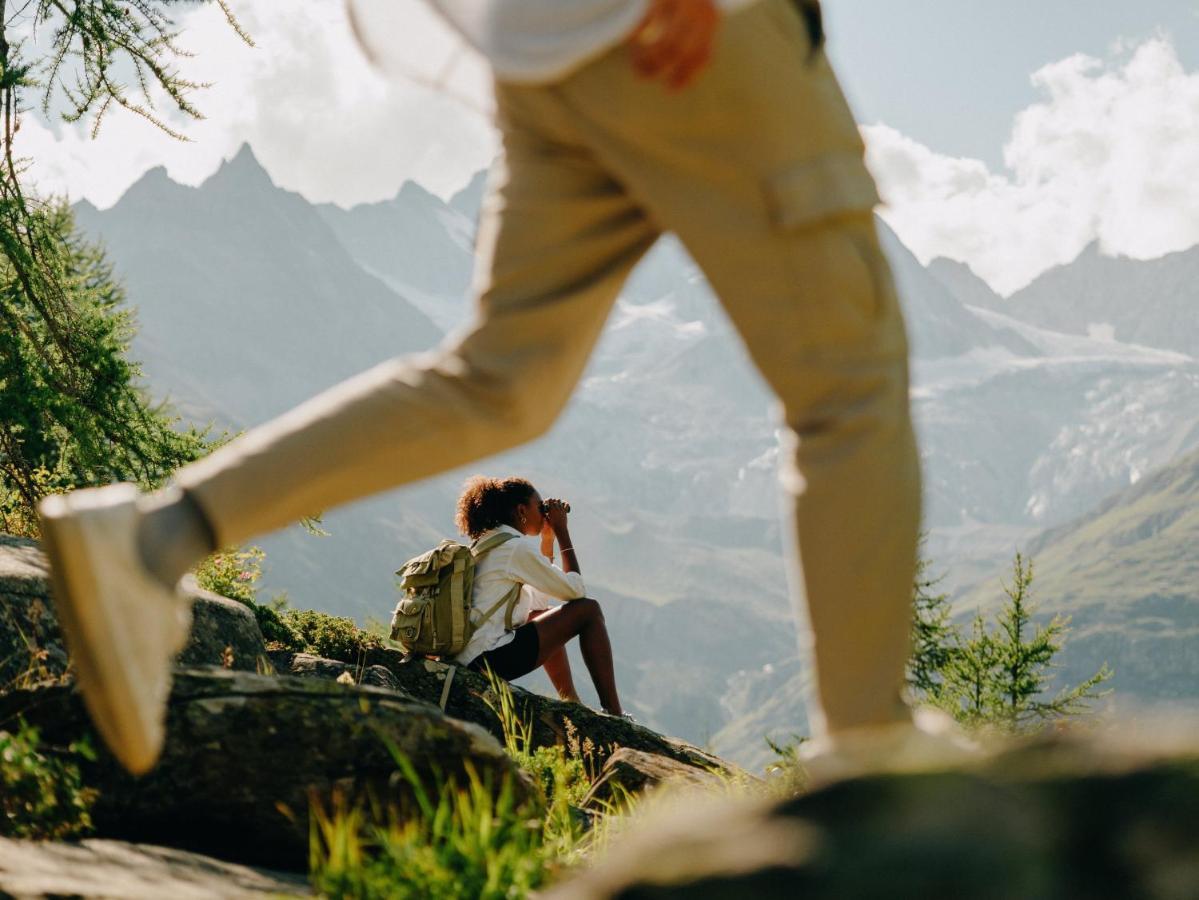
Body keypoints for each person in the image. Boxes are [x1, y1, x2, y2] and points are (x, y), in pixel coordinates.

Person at [37, 0, 952, 777]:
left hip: (546, 40)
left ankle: (156, 538)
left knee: (498, 382)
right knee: (849, 394)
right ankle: (870, 751)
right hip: (700, 41)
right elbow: (570, 593)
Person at [450, 476, 623, 717]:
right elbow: (576, 591)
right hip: (485, 660)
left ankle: (572, 703)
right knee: (588, 610)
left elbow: (537, 604)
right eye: (539, 507)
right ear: (522, 510)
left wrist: (548, 540)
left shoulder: (490, 541)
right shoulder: (514, 548)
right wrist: (562, 532)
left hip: (469, 656)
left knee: (540, 614)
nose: (544, 514)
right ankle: (615, 713)